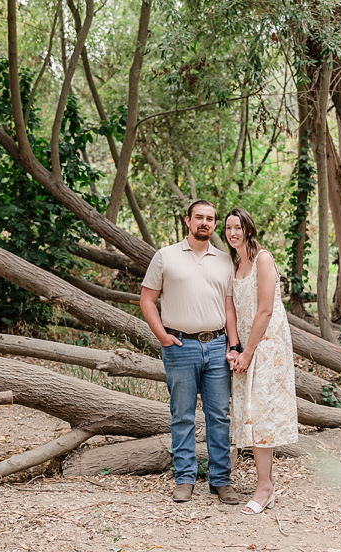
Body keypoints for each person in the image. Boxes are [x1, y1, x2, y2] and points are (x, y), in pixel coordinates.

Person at [140, 199, 241, 505]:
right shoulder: (165, 256)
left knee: (219, 416)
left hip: (217, 345)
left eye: (210, 219)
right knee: (182, 415)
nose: (205, 223)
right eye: (199, 217)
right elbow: (147, 299)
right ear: (187, 220)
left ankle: (221, 480)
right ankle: (185, 478)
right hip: (180, 346)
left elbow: (229, 306)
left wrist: (233, 344)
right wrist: (163, 336)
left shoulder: (225, 260)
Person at [224, 207, 298, 515]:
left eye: (237, 227)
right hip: (244, 349)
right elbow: (230, 308)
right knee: (249, 414)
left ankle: (265, 487)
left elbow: (265, 310)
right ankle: (264, 483)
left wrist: (249, 353)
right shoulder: (234, 264)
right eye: (228, 228)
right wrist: (234, 347)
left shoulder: (262, 260)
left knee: (262, 414)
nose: (232, 233)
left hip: (266, 349)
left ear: (249, 230)